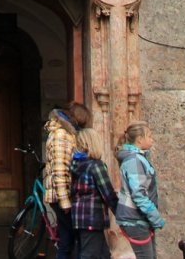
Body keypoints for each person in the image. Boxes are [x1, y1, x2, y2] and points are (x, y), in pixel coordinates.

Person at [44, 102, 91, 259]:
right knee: (67, 241)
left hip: (61, 196)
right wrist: (65, 202)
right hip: (61, 197)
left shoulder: (64, 133)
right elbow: (59, 169)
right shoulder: (62, 136)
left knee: (67, 239)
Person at [115, 122, 164, 259]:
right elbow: (139, 194)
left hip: (139, 219)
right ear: (139, 139)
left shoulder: (138, 158)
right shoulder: (134, 160)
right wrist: (155, 217)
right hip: (134, 219)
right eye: (149, 136)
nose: (152, 139)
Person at [69, 127, 118, 259]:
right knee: (89, 254)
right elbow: (108, 193)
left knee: (103, 254)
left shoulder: (75, 164)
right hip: (93, 218)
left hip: (78, 217)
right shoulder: (96, 166)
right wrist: (120, 212)